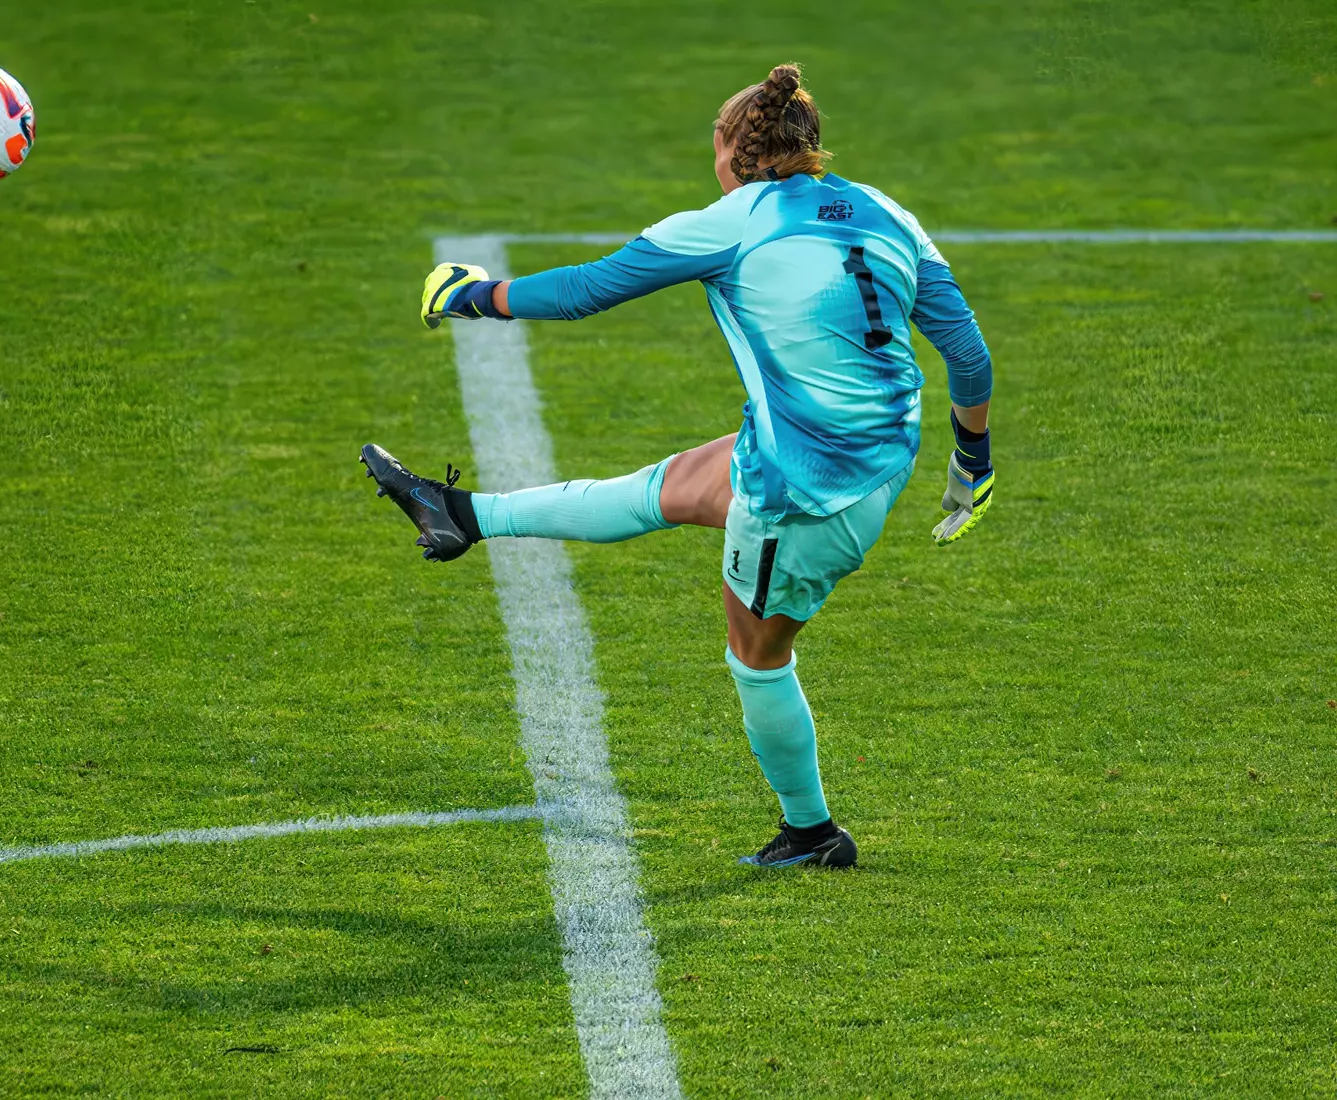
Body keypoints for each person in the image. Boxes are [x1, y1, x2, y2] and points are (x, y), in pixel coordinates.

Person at [361, 63, 995, 868]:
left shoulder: (727, 222)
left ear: (735, 152)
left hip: (805, 493)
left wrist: (474, 296)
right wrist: (970, 461)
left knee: (756, 655)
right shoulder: (886, 212)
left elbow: (589, 289)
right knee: (677, 487)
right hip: (875, 449)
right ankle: (462, 516)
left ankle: (810, 832)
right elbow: (967, 357)